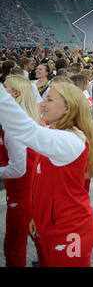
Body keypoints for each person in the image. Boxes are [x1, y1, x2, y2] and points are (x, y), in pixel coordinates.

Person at [0, 81, 93, 266]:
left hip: (71, 231)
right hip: (53, 226)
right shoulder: (56, 133)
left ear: (67, 109)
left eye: (49, 99)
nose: (42, 104)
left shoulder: (69, 140)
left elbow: (25, 130)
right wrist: (38, 216)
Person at [1, 76, 42, 267]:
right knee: (39, 239)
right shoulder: (27, 118)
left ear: (15, 94)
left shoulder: (14, 126)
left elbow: (18, 169)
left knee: (13, 247)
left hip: (21, 194)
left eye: (5, 88)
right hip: (30, 191)